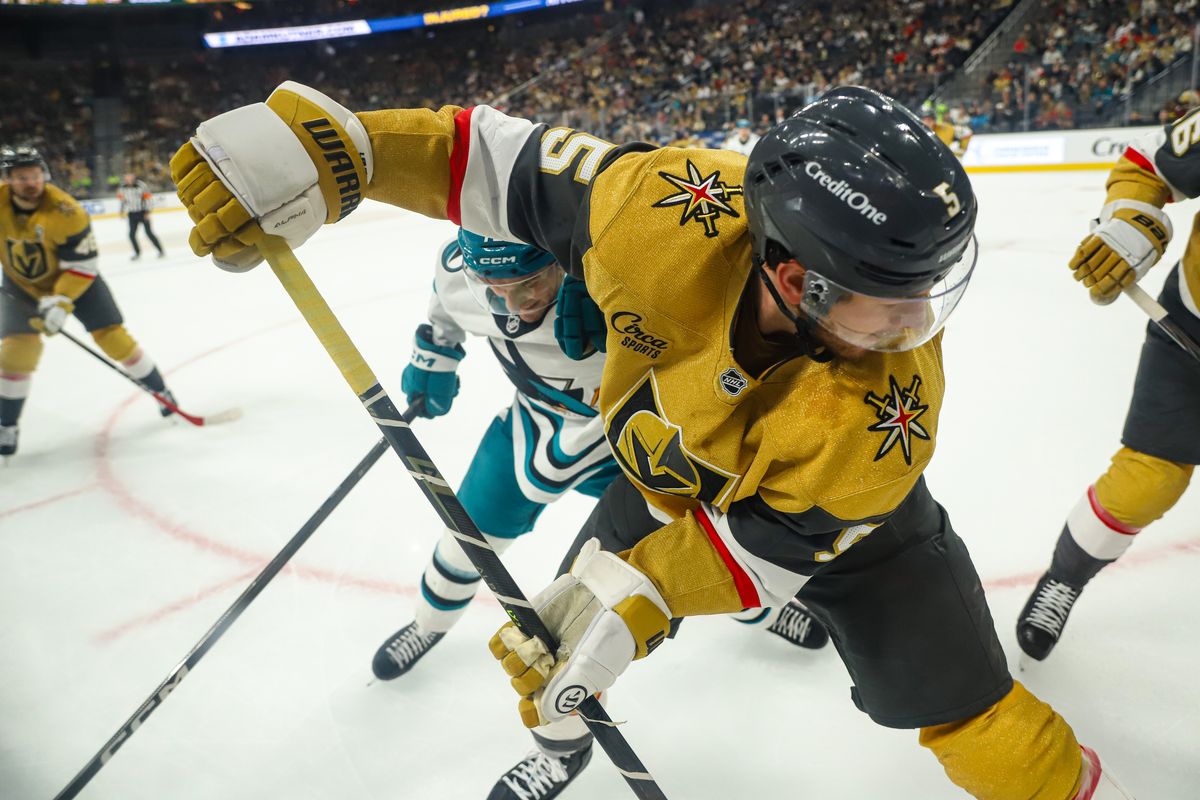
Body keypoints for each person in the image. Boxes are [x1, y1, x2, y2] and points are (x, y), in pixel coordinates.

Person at [169, 82, 1130, 799]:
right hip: (667, 481)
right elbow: (487, 161)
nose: (914, 330)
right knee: (548, 646)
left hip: (852, 532)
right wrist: (340, 150)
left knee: (970, 712)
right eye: (892, 304)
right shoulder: (666, 208)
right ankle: (561, 750)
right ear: (795, 277)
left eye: (926, 294)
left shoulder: (886, 416)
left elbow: (767, 548)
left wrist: (636, 601)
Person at [1017, 106, 1200, 661]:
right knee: (1145, 482)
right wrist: (1133, 222)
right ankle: (1066, 577)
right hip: (1190, 330)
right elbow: (1149, 163)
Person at [0, 147, 177, 458]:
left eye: (35, 175)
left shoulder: (66, 211)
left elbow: (83, 265)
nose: (31, 182)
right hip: (22, 285)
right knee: (17, 353)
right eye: (22, 177)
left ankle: (161, 390)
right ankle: (6, 424)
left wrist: (61, 302)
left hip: (77, 280)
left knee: (114, 340)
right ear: (8, 180)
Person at [117, 172, 165, 260]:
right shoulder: (122, 188)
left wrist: (147, 212)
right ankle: (137, 253)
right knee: (131, 235)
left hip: (143, 213)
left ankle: (161, 250)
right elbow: (122, 200)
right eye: (126, 178)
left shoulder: (141, 185)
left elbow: (148, 199)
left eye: (130, 178)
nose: (128, 180)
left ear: (133, 177)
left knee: (149, 233)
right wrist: (121, 211)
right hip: (132, 214)